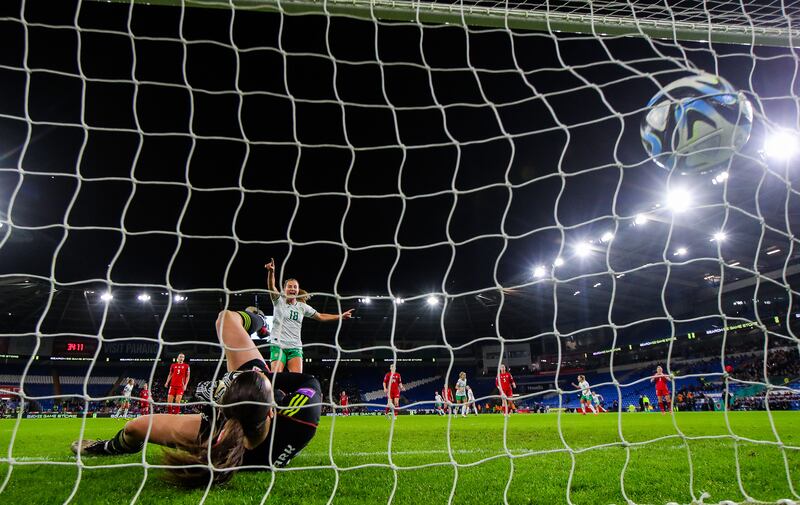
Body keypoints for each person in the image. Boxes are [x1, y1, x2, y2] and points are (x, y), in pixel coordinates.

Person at [72, 308, 321, 488]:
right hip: (249, 396)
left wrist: (237, 389)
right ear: (272, 410)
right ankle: (260, 322)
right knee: (226, 320)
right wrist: (265, 380)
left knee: (136, 427)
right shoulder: (302, 418)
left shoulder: (217, 443)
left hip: (215, 422)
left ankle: (107, 448)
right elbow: (310, 382)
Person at [265, 258, 354, 373]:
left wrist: (340, 316)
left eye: (295, 287)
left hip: (295, 346)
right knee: (276, 377)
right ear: (284, 289)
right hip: (278, 344)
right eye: (290, 286)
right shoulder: (278, 300)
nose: (292, 289)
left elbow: (321, 316)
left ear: (297, 290)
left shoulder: (302, 307)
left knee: (296, 379)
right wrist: (271, 272)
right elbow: (271, 286)